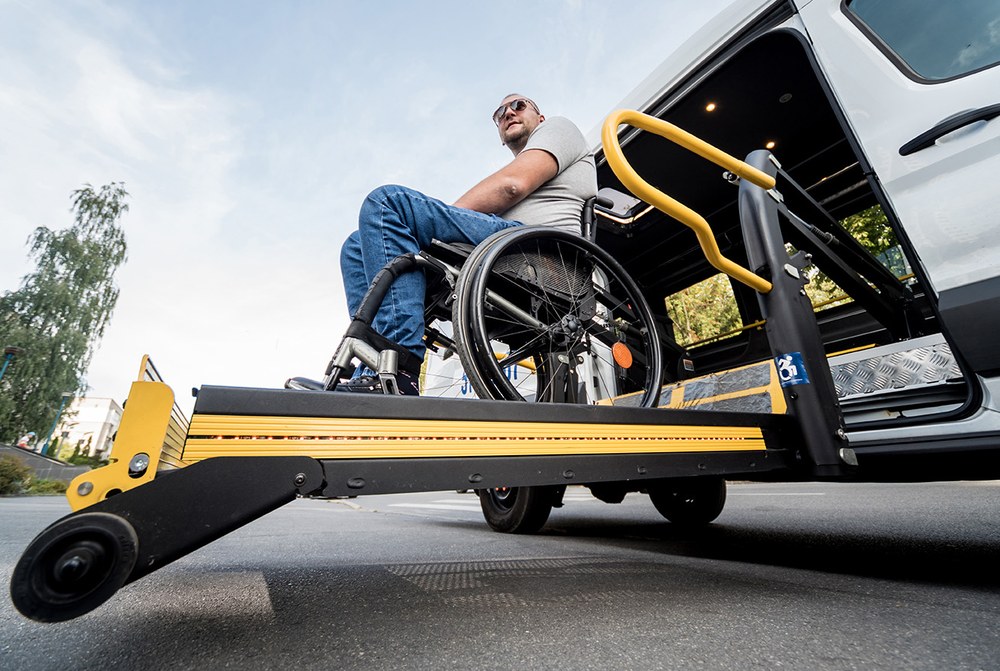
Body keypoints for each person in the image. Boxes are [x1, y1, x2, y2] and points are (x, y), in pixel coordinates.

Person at [338, 94, 597, 395]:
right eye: (499, 113)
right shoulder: (527, 167)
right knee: (357, 246)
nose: (508, 113)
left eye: (519, 105)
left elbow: (512, 185)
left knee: (389, 204)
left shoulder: (557, 128)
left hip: (540, 249)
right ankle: (373, 366)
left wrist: (431, 226)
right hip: (504, 250)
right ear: (500, 135)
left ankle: (399, 366)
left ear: (539, 118)